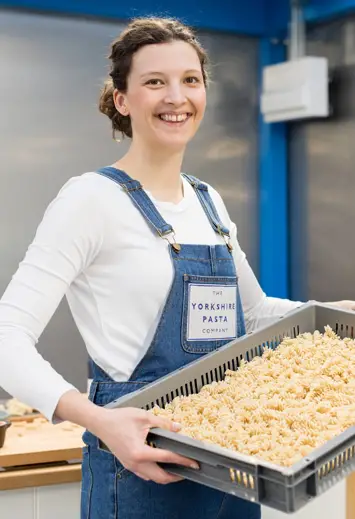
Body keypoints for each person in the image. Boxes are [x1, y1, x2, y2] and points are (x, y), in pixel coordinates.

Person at [0, 16, 354, 519]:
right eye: (154, 82)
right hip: (140, 462)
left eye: (190, 80)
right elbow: (6, 333)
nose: (176, 97)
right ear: (122, 100)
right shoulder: (89, 200)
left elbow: (253, 316)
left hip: (234, 466)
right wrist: (99, 421)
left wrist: (339, 311)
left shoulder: (208, 202)